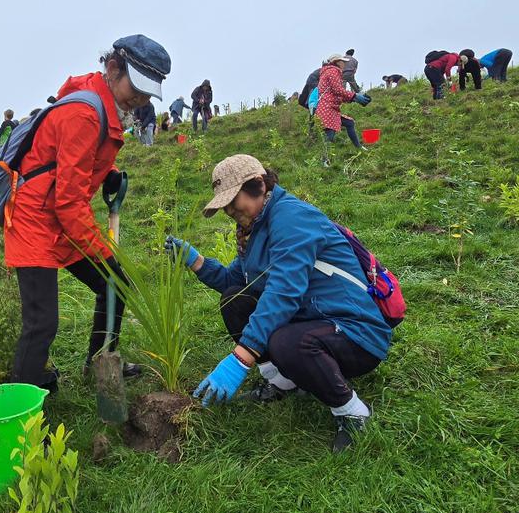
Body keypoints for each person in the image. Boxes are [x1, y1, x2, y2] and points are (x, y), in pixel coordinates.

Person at [166, 154, 393, 452]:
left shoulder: (291, 218)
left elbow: (284, 292)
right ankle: (283, 382)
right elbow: (234, 281)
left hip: (355, 333)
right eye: (226, 206)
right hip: (313, 321)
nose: (231, 211)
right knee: (235, 299)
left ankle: (352, 412)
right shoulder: (255, 231)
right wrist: (195, 261)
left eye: (234, 201)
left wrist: (241, 358)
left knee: (287, 342)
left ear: (259, 186)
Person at [6, 34, 171, 393]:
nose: (141, 100)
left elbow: (69, 164)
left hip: (60, 217)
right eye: (137, 89)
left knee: (114, 282)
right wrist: (104, 250)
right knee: (41, 323)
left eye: (147, 93)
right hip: (35, 219)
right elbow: (68, 202)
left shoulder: (102, 104)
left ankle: (101, 366)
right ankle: (21, 417)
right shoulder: (84, 111)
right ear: (113, 68)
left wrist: (105, 173)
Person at [316, 54, 370, 157]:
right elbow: (338, 90)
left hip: (327, 108)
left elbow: (336, 94)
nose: (344, 64)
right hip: (328, 108)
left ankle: (359, 147)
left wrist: (354, 99)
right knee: (329, 134)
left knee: (349, 123)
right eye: (343, 62)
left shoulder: (327, 71)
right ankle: (324, 160)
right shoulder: (333, 71)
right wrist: (355, 96)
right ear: (337, 62)